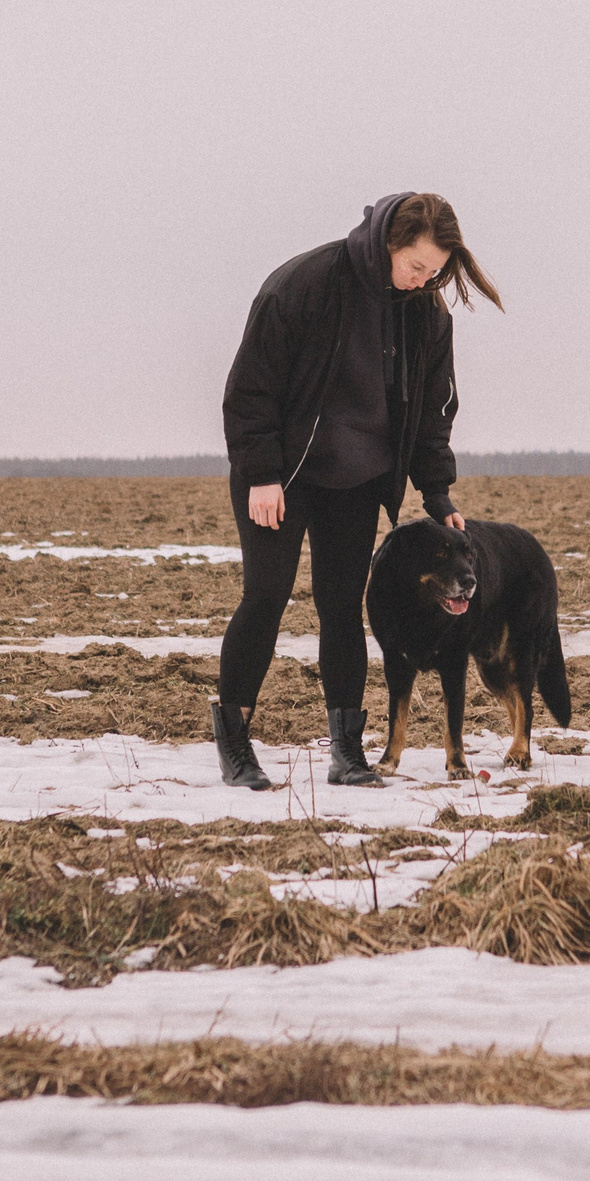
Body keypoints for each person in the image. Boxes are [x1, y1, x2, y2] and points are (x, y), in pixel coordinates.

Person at [214, 192, 502, 789]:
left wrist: (439, 496)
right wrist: (264, 473)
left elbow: (430, 415)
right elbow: (250, 391)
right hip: (282, 476)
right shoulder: (305, 286)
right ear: (388, 245)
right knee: (265, 598)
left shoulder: (426, 313)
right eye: (416, 266)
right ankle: (236, 746)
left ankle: (346, 751)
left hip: (356, 477)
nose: (424, 281)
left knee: (341, 607)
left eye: (435, 272)